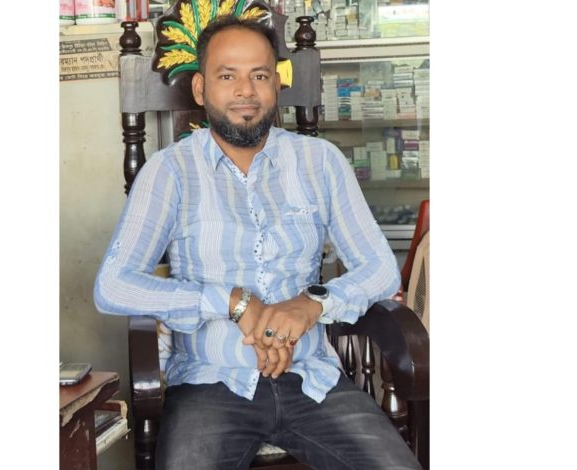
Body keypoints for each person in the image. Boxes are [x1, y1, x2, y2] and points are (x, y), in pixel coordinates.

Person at [94, 15, 421, 470]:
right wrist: (233, 302)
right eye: (227, 76)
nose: (245, 91)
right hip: (211, 384)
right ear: (200, 89)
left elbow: (381, 269)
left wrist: (311, 305)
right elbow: (112, 285)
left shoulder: (320, 162)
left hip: (312, 379)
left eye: (260, 76)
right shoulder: (170, 171)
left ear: (277, 85)